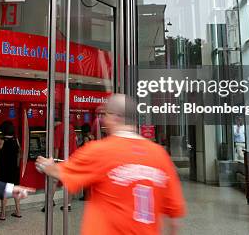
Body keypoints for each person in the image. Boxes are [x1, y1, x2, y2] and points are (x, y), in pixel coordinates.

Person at [36, 94, 185, 235]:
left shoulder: (98, 151)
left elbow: (59, 172)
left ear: (116, 117)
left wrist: (46, 164)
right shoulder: (160, 155)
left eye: (105, 114)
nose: (103, 119)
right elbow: (174, 221)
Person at [0, 120, 22, 220]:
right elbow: (20, 153)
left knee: (4, 191)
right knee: (15, 190)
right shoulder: (16, 140)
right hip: (14, 169)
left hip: (4, 169)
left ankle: (3, 214)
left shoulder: (1, 141)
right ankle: (18, 211)